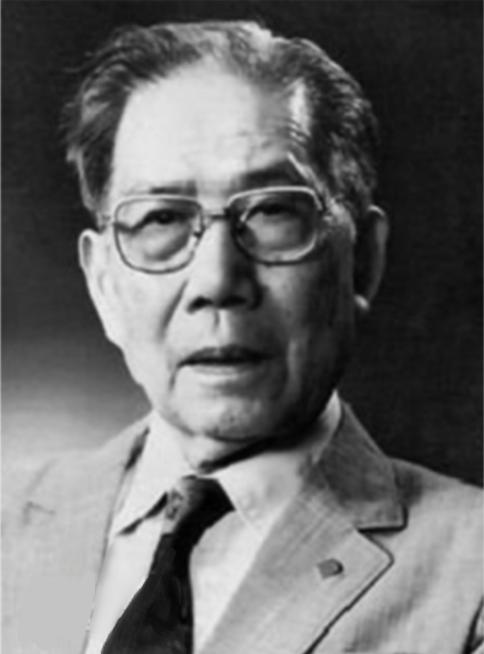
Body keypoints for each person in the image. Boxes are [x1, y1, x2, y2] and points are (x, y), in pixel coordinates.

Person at [3, 20, 482, 654]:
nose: (217, 281)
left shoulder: (469, 575)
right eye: (161, 218)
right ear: (104, 284)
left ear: (362, 260)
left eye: (272, 212)